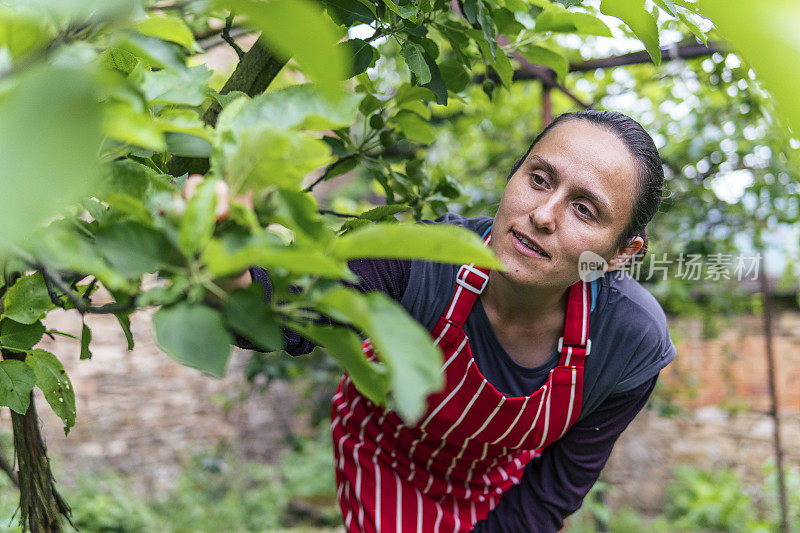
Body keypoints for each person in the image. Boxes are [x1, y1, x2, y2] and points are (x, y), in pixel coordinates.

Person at [236, 109, 676, 532]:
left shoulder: (630, 340)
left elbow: (552, 491)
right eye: (539, 180)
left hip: (500, 488)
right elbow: (296, 304)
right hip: (384, 461)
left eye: (584, 209)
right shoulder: (426, 258)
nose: (543, 215)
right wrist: (233, 276)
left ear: (620, 254)